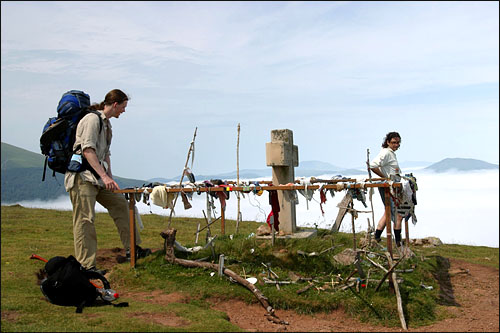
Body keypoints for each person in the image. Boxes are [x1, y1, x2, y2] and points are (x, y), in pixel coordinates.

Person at [64, 89, 150, 274]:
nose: (124, 111)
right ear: (115, 104)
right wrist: (104, 177)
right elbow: (87, 150)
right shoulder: (92, 120)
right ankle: (86, 266)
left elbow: (106, 154)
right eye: (123, 107)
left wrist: (109, 178)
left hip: (97, 178)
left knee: (121, 205)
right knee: (85, 221)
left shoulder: (107, 124)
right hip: (82, 178)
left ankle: (133, 250)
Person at [369, 131, 404, 247]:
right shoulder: (386, 152)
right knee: (398, 214)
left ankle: (377, 237)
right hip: (390, 187)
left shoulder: (391, 153)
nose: (396, 145)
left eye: (398, 143)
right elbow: (373, 165)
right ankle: (398, 242)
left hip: (393, 185)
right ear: (388, 142)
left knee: (388, 211)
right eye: (394, 142)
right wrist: (385, 177)